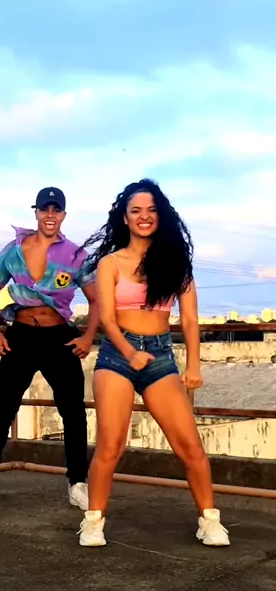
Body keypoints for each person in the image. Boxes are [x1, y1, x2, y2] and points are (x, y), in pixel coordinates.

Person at [77, 178, 230, 548]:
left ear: (160, 216)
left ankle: (209, 520)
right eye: (136, 211)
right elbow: (107, 318)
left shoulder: (176, 264)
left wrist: (194, 366)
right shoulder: (111, 263)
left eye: (151, 210)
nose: (144, 216)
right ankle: (93, 521)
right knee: (111, 445)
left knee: (189, 445)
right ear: (125, 218)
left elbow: (189, 319)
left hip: (160, 356)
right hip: (118, 355)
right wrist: (130, 353)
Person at [0, 187, 99, 510]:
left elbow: (97, 300)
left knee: (73, 411)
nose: (50, 215)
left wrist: (87, 337)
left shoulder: (75, 255)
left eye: (56, 210)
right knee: (4, 407)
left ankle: (78, 483)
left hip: (59, 337)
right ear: (36, 212)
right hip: (21, 335)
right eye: (44, 209)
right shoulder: (14, 250)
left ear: (63, 215)